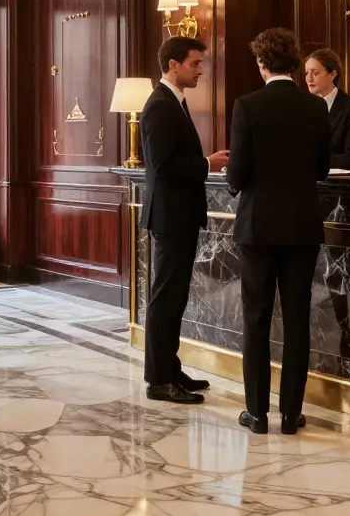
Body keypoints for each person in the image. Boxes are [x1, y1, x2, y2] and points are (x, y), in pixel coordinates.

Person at [227, 28, 332, 434]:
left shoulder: (246, 106)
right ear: (293, 62)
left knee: (255, 319)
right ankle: (291, 414)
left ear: (261, 63)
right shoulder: (315, 108)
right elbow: (322, 169)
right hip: (303, 225)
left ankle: (256, 413)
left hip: (257, 227)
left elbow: (236, 173)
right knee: (297, 319)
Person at [139, 36, 230, 404]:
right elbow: (163, 165)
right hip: (170, 215)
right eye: (194, 63)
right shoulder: (160, 105)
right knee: (165, 297)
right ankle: (159, 380)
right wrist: (208, 164)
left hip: (178, 214)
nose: (201, 70)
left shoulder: (174, 102)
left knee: (175, 296)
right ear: (172, 65)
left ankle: (169, 368)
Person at [303, 48, 350, 170]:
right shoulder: (302, 106)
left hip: (337, 184)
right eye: (306, 73)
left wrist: (311, 161)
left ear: (332, 74)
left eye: (315, 73)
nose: (309, 79)